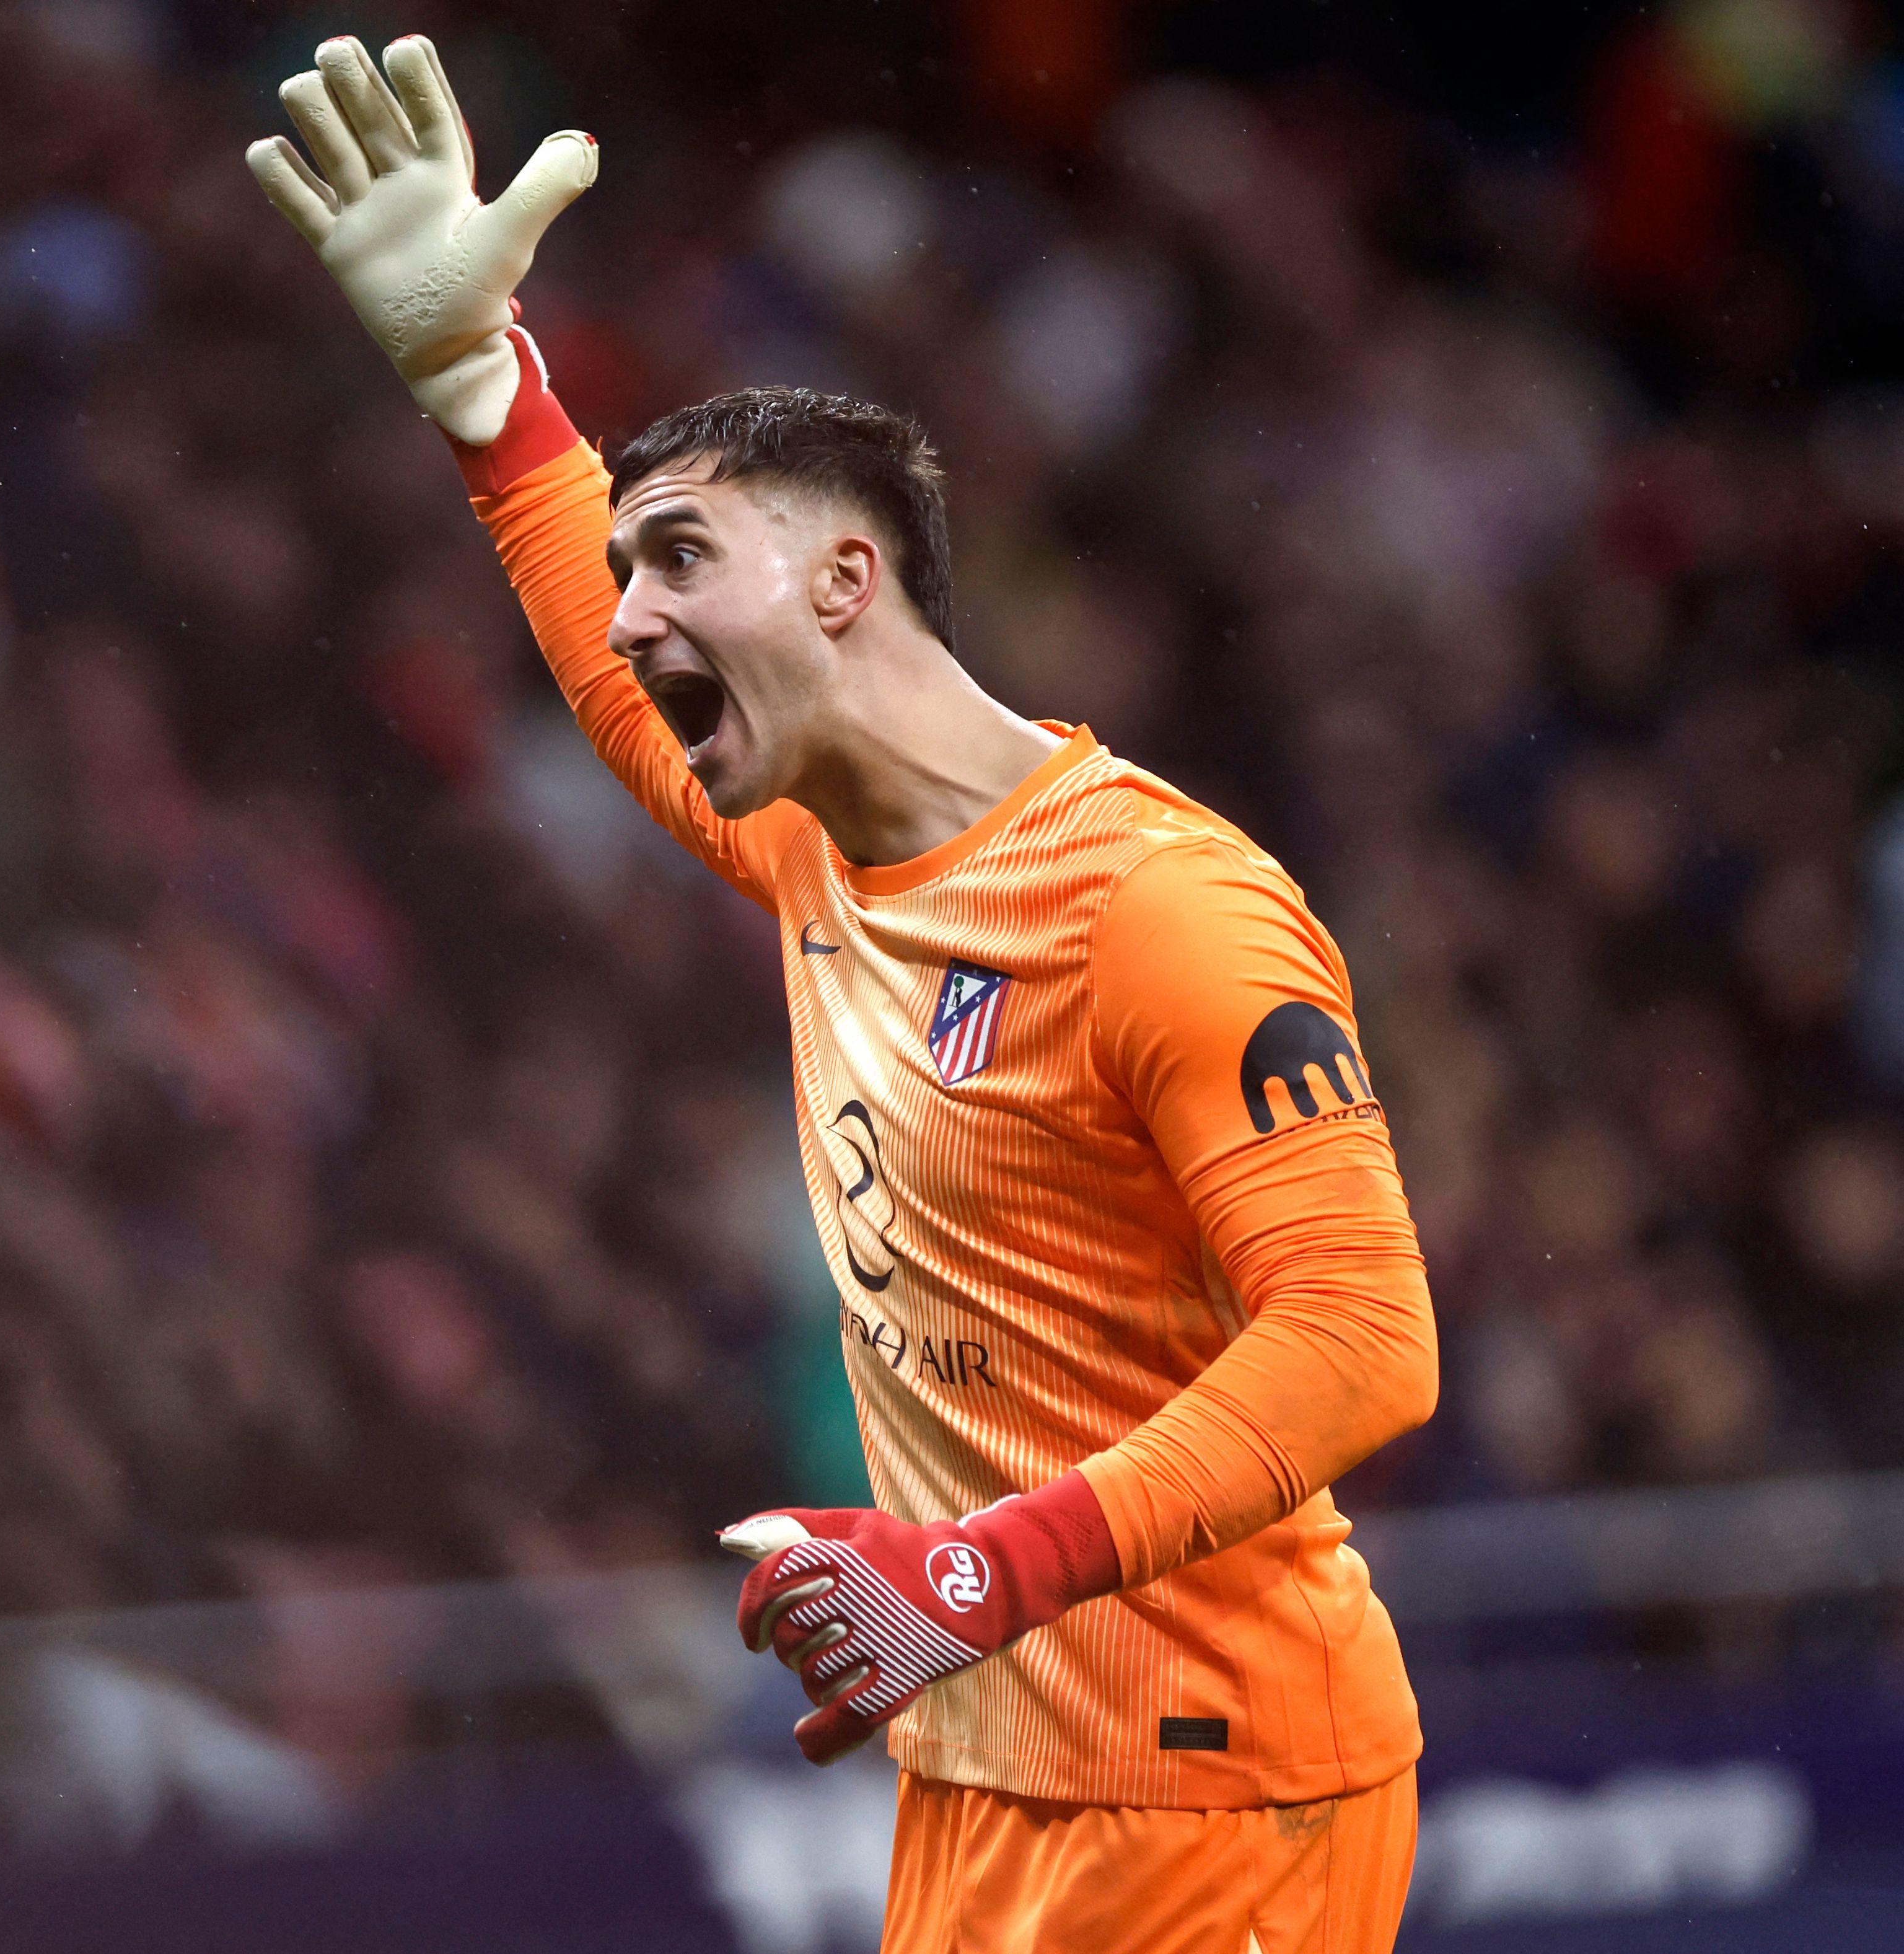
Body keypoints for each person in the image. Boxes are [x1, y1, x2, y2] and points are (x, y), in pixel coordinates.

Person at [248, 36, 1439, 1953]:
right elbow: (594, 656)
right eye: (629, 572)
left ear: (846, 581)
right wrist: (485, 395)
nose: (632, 613)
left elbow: (1369, 1342)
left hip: (1217, 1789)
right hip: (986, 1762)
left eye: (683, 560)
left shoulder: (1165, 906)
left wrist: (983, 1565)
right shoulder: (821, 853)